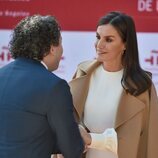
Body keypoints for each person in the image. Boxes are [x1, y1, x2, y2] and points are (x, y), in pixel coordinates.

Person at [69, 11, 158, 158]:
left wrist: (92, 139)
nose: (99, 45)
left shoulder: (142, 86)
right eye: (98, 37)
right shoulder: (82, 73)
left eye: (108, 40)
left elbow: (144, 140)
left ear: (125, 45)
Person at [0, 15, 84, 158]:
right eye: (61, 43)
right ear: (52, 48)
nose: (62, 50)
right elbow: (71, 149)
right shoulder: (55, 87)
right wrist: (80, 136)